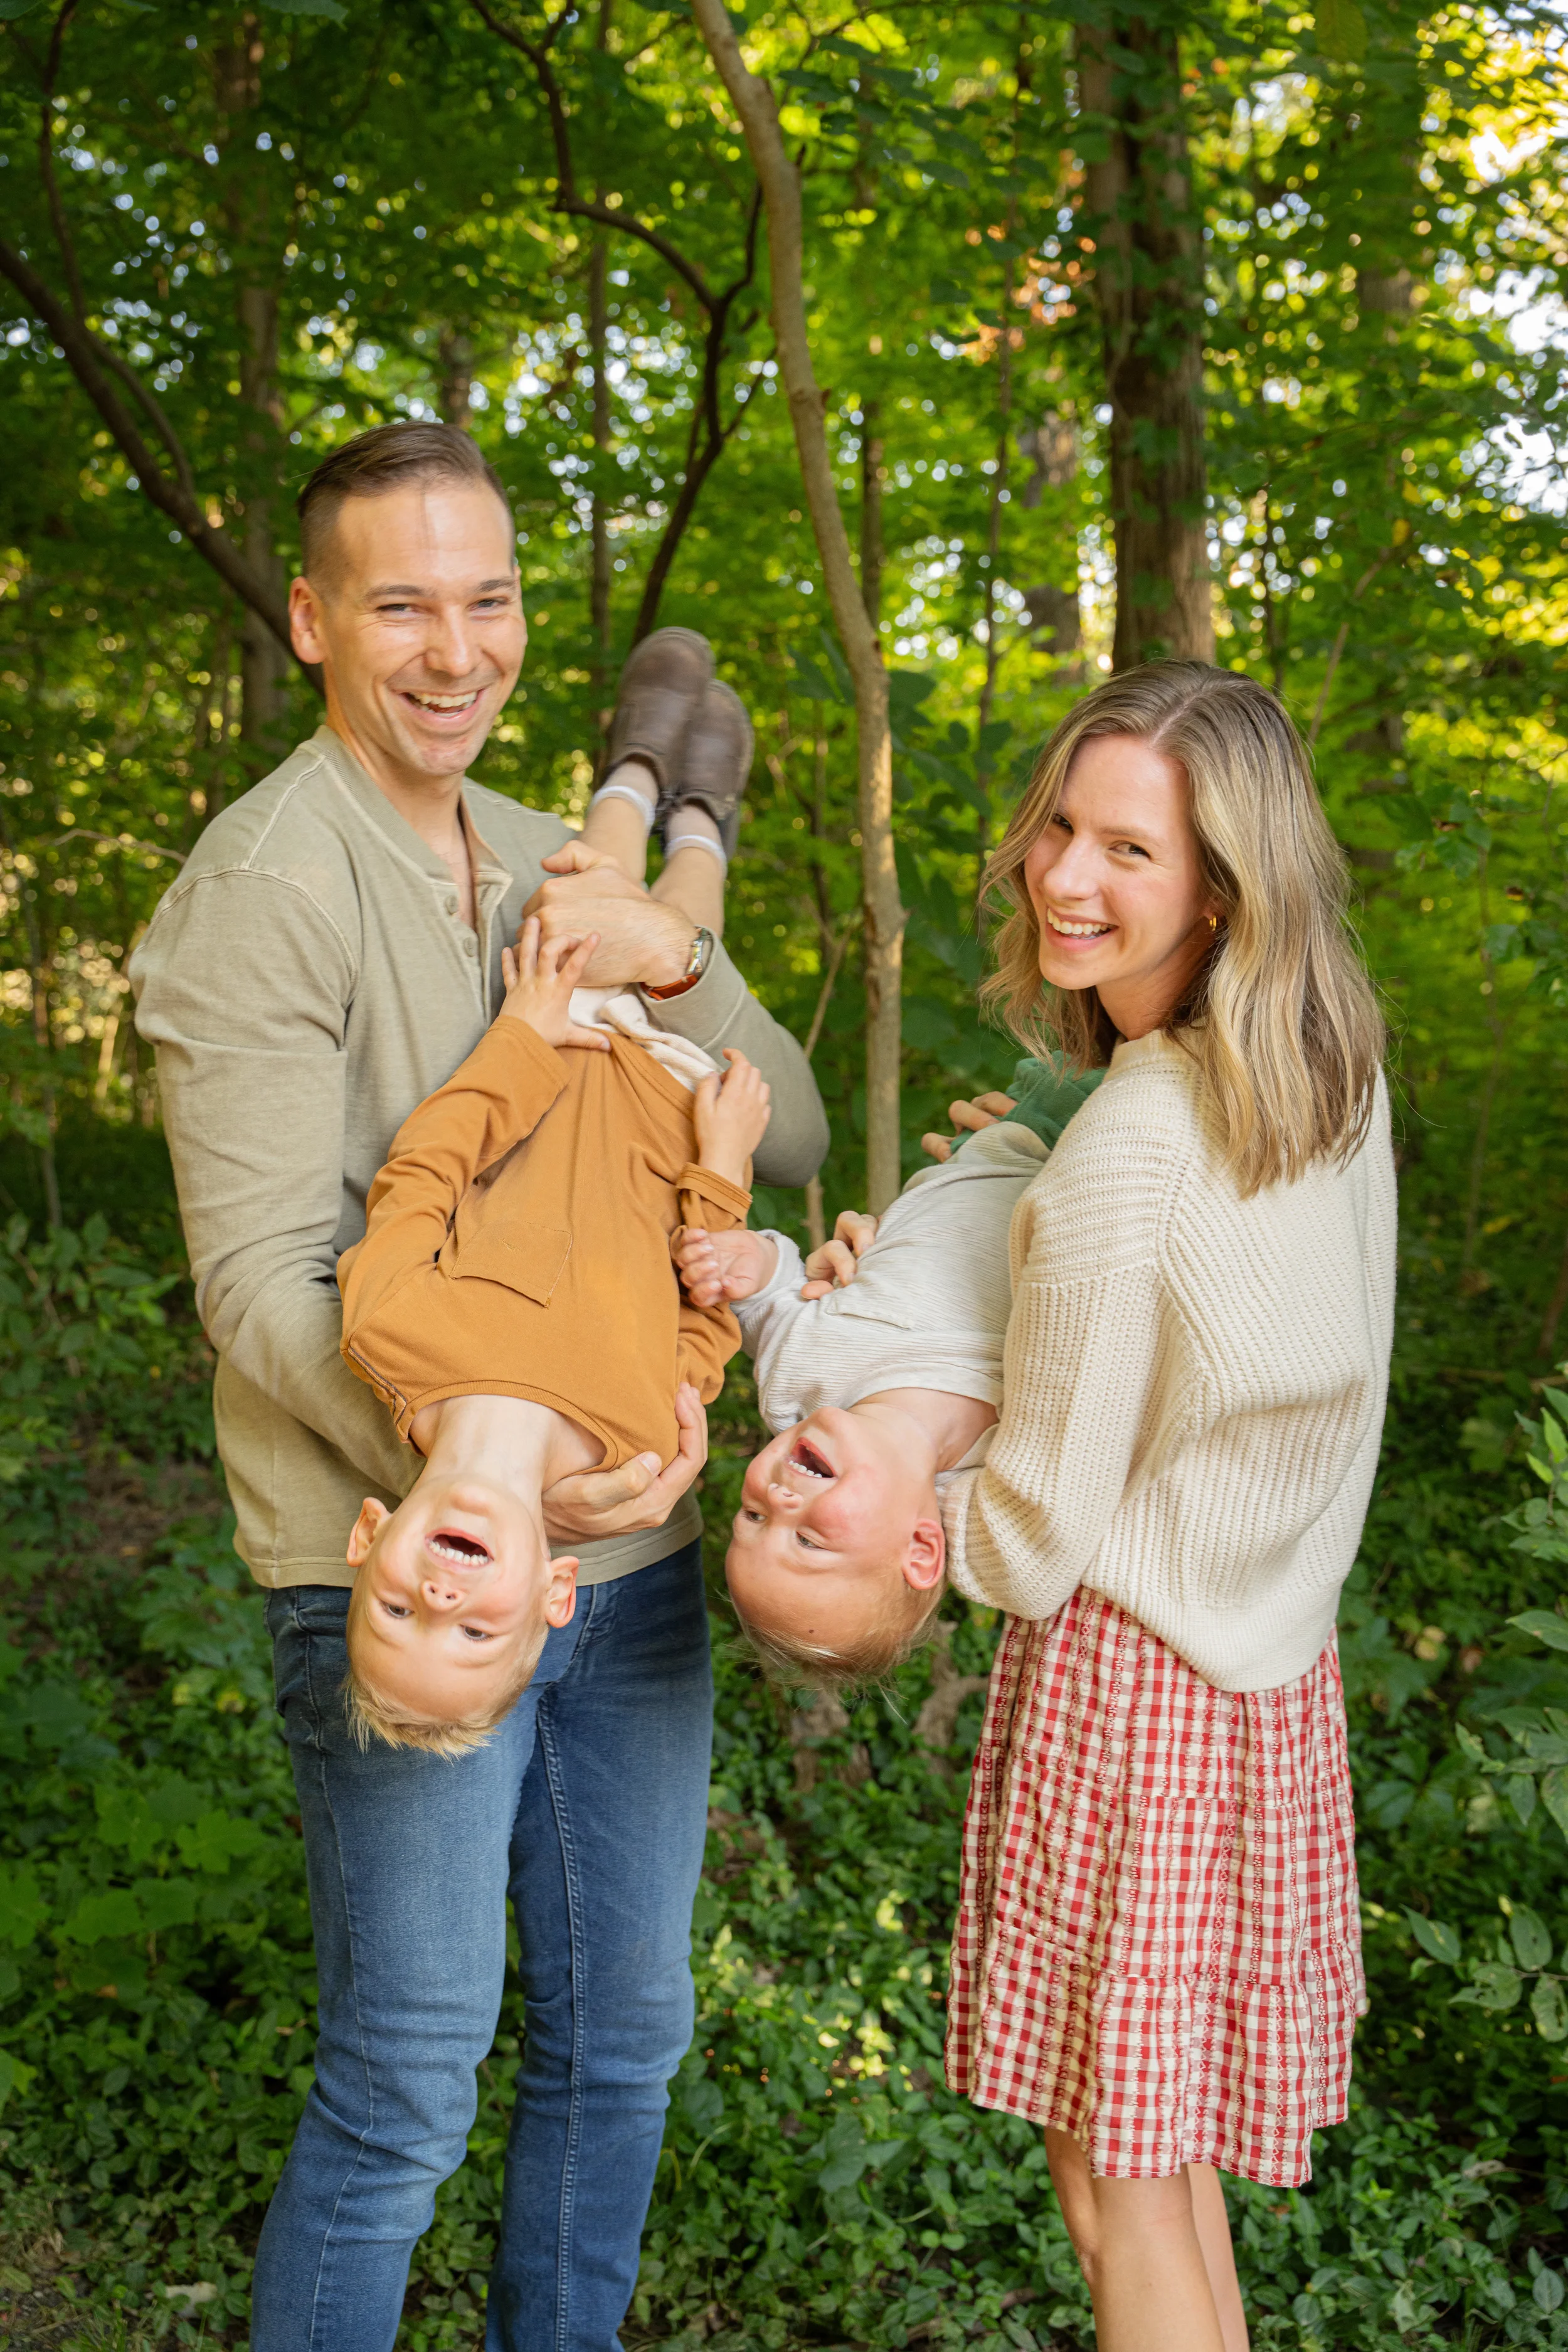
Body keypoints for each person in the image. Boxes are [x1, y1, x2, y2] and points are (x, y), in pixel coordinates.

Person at [129, 420, 828, 2352]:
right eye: (402, 604)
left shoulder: (552, 850)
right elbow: (264, 1288)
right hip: (406, 1573)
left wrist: (674, 942)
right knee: (409, 2076)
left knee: (624, 2042)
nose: (457, 649)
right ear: (309, 617)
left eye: (493, 596)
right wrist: (497, 1482)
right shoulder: (261, 886)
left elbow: (795, 1128)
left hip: (640, 1575)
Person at [923, 662, 1394, 2352]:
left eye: (1129, 848)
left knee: (1111, 2188)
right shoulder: (1326, 1083)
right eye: (1062, 821)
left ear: (1218, 884)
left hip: (1129, 1689)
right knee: (1165, 2173)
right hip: (1269, 1673)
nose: (1064, 874)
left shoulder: (1131, 1144)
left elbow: (1030, 1534)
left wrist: (911, 1461)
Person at [339, 916, 768, 1745]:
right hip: (685, 1092)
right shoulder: (638, 1447)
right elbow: (706, 1311)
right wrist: (723, 1165)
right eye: (474, 1634)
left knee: (585, 883)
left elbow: (424, 1172)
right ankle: (692, 814)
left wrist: (522, 1037)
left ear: (370, 1534)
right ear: (555, 1591)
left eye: (396, 1609)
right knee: (691, 887)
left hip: (558, 1024)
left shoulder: (385, 1335)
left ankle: (641, 783)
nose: (440, 1600)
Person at [673, 1056, 1103, 1684]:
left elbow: (772, 1294)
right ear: (922, 1547)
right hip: (1099, 1168)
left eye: (754, 1519)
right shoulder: (1001, 1465)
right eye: (808, 1542)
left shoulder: (798, 1381)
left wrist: (747, 1262)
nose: (779, 1500)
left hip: (1007, 1137)